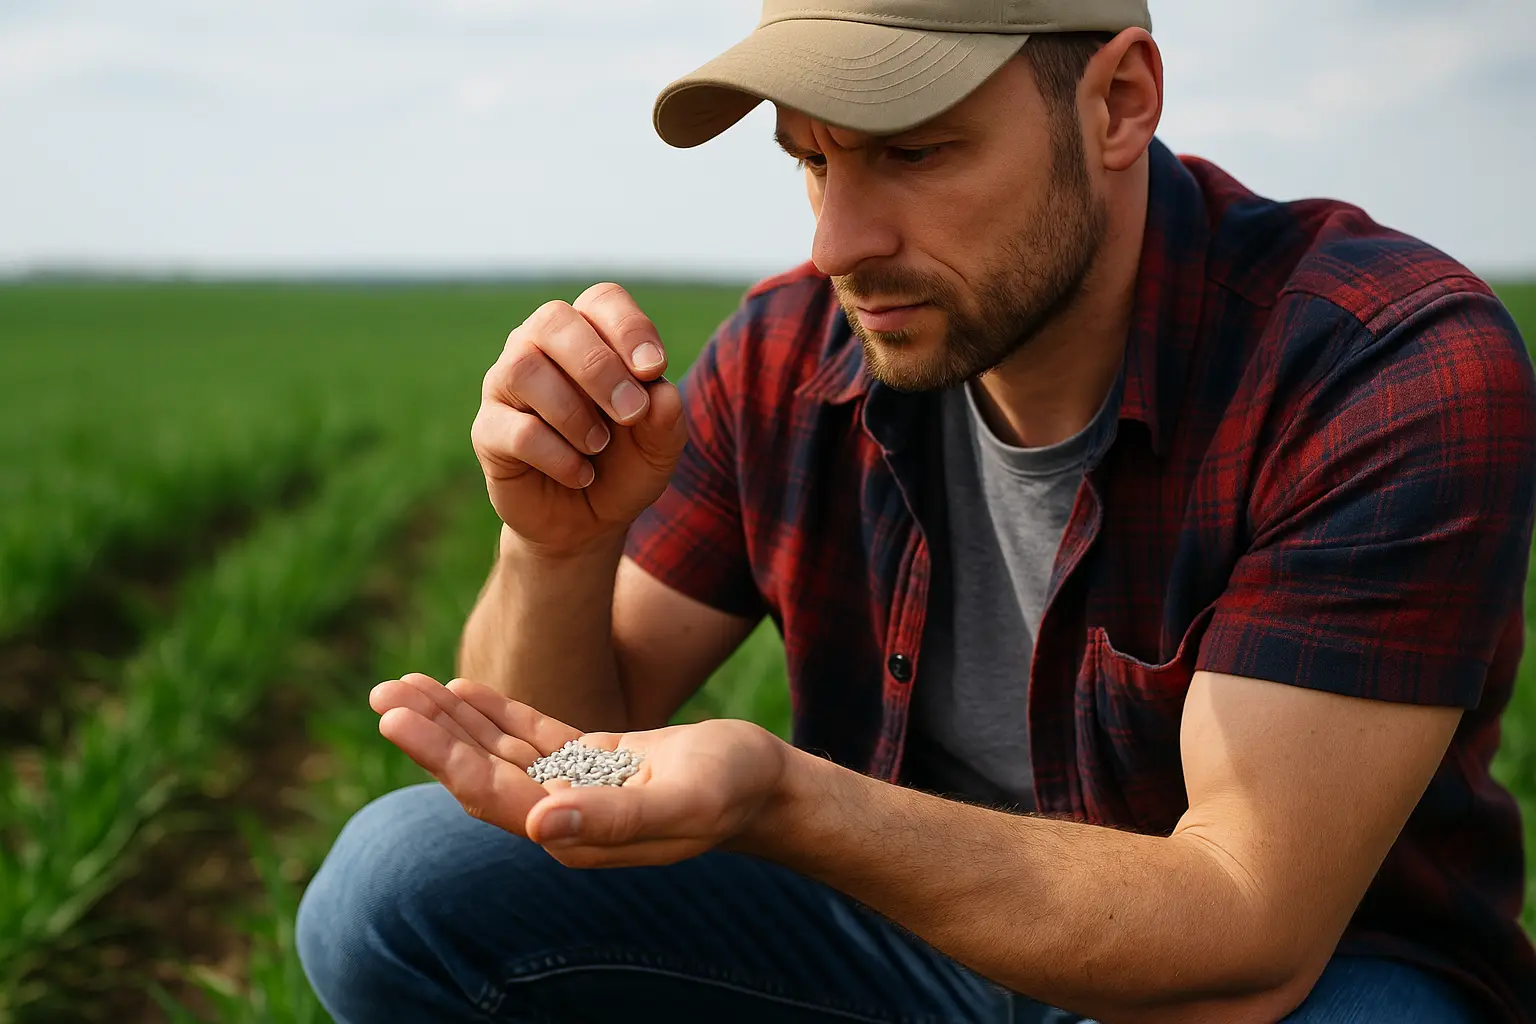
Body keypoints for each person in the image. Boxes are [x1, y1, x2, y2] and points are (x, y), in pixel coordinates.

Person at [295, 1, 1536, 1021]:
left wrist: (786, 798)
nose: (837, 241)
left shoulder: (1380, 363)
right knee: (399, 885)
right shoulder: (788, 350)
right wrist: (556, 546)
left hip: (1282, 982)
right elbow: (562, 754)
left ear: (1118, 102)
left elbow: (1245, 925)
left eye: (915, 150)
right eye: (813, 160)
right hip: (901, 946)